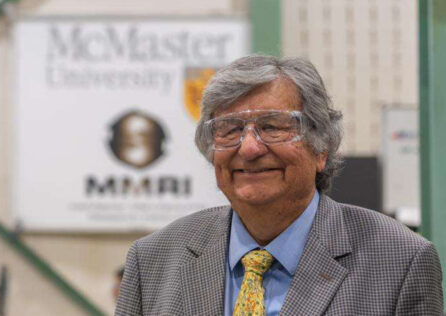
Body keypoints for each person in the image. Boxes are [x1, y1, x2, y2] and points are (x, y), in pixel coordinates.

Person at [115, 55, 443, 315]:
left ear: (321, 147)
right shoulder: (154, 260)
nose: (250, 148)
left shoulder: (400, 261)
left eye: (273, 126)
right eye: (229, 129)